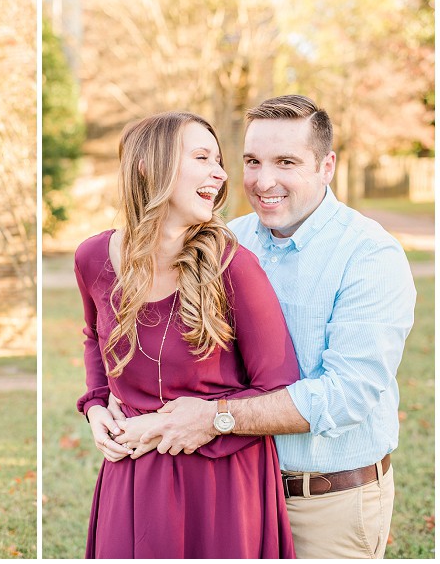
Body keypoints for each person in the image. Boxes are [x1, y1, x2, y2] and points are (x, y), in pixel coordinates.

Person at [113, 95, 416, 558]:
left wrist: (217, 418)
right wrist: (103, 404)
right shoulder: (224, 240)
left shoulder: (369, 255)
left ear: (326, 166)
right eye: (252, 161)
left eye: (286, 162)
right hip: (233, 492)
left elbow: (349, 393)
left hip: (324, 501)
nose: (263, 180)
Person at [75, 111, 300, 558]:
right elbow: (92, 338)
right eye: (202, 157)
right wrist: (96, 405)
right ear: (148, 166)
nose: (220, 173)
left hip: (222, 482)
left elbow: (279, 387)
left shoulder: (232, 266)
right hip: (132, 474)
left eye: (219, 160)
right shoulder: (92, 258)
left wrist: (193, 420)